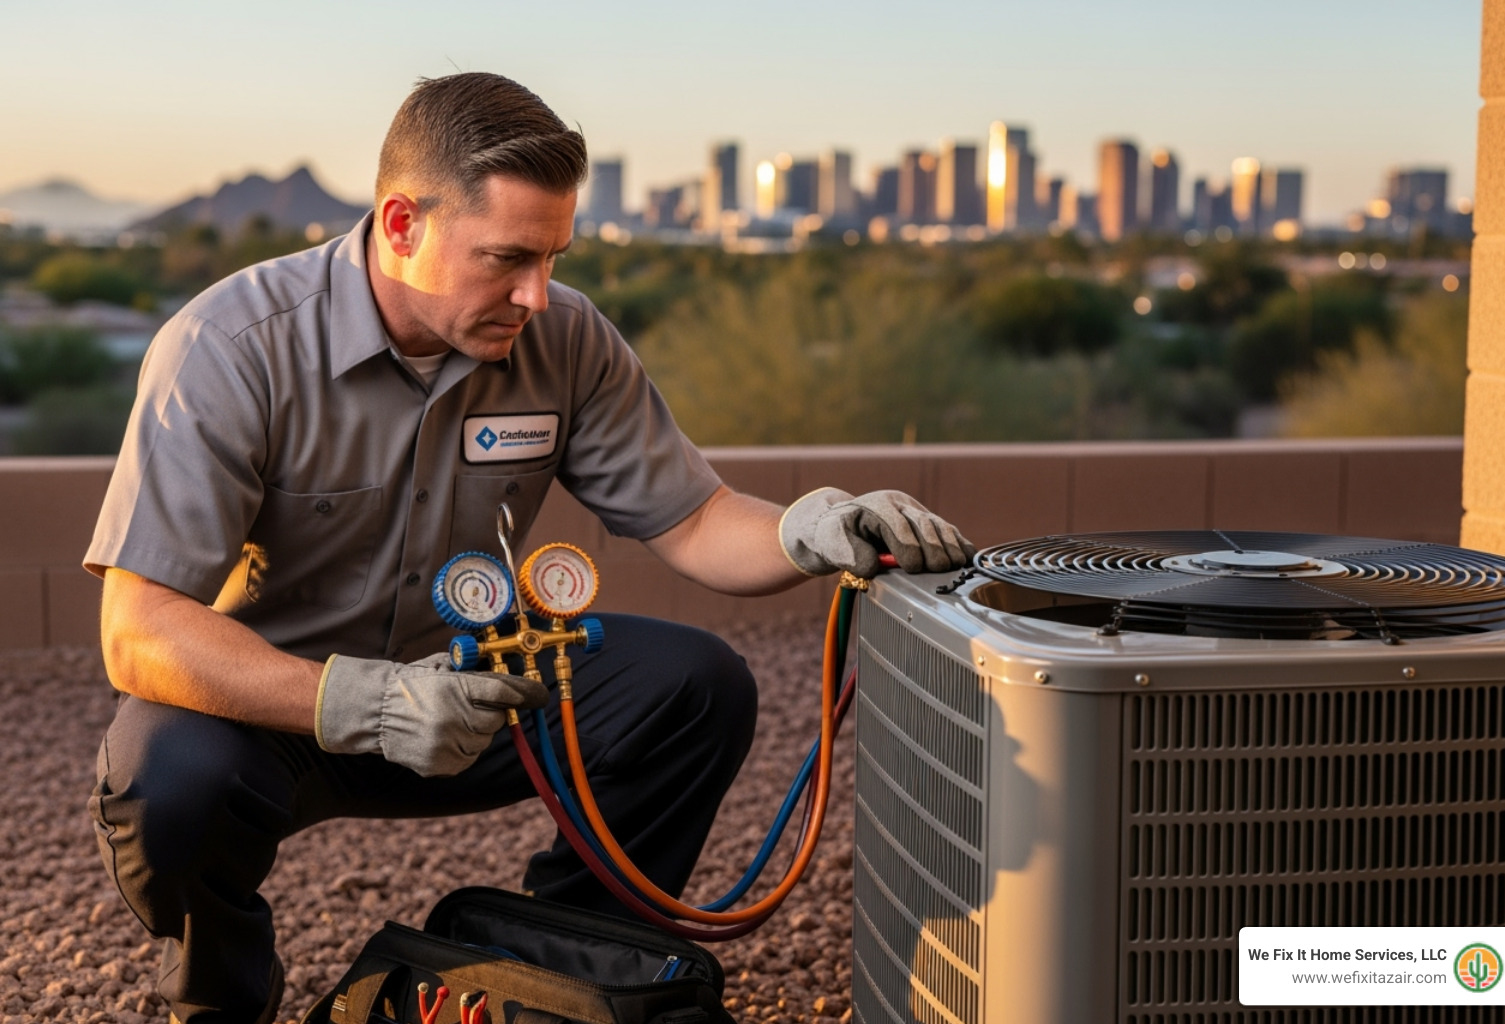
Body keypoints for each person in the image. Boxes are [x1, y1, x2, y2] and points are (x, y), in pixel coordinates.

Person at [84, 72, 973, 1023]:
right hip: (290, 710)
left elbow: (697, 520)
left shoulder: (567, 340)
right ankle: (225, 993)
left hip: (484, 686)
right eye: (508, 258)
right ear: (400, 225)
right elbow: (138, 631)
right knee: (161, 777)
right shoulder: (229, 346)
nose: (537, 296)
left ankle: (564, 970)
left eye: (553, 257)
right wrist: (368, 703)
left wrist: (809, 527)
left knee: (696, 686)